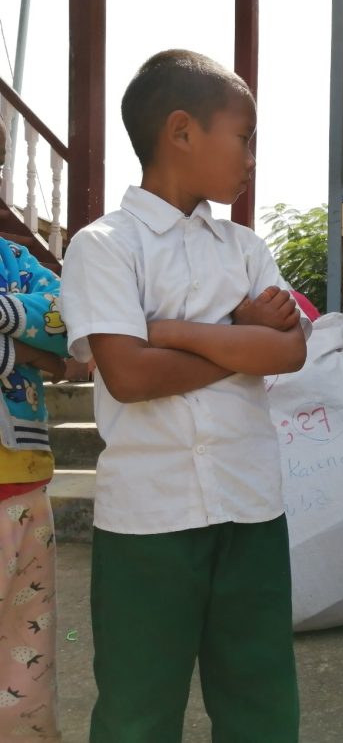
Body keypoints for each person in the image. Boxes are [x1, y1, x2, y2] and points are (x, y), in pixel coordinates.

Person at [59, 49, 309, 743]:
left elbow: (289, 349)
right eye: (244, 135)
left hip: (251, 507)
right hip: (148, 520)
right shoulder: (105, 246)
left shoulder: (245, 248)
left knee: (262, 700)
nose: (252, 156)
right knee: (137, 710)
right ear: (181, 131)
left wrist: (167, 333)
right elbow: (129, 376)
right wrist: (234, 332)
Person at [0, 113, 69, 741]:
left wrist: (8, 315)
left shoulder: (13, 261)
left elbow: (73, 314)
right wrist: (21, 353)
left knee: (29, 644)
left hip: (24, 490)